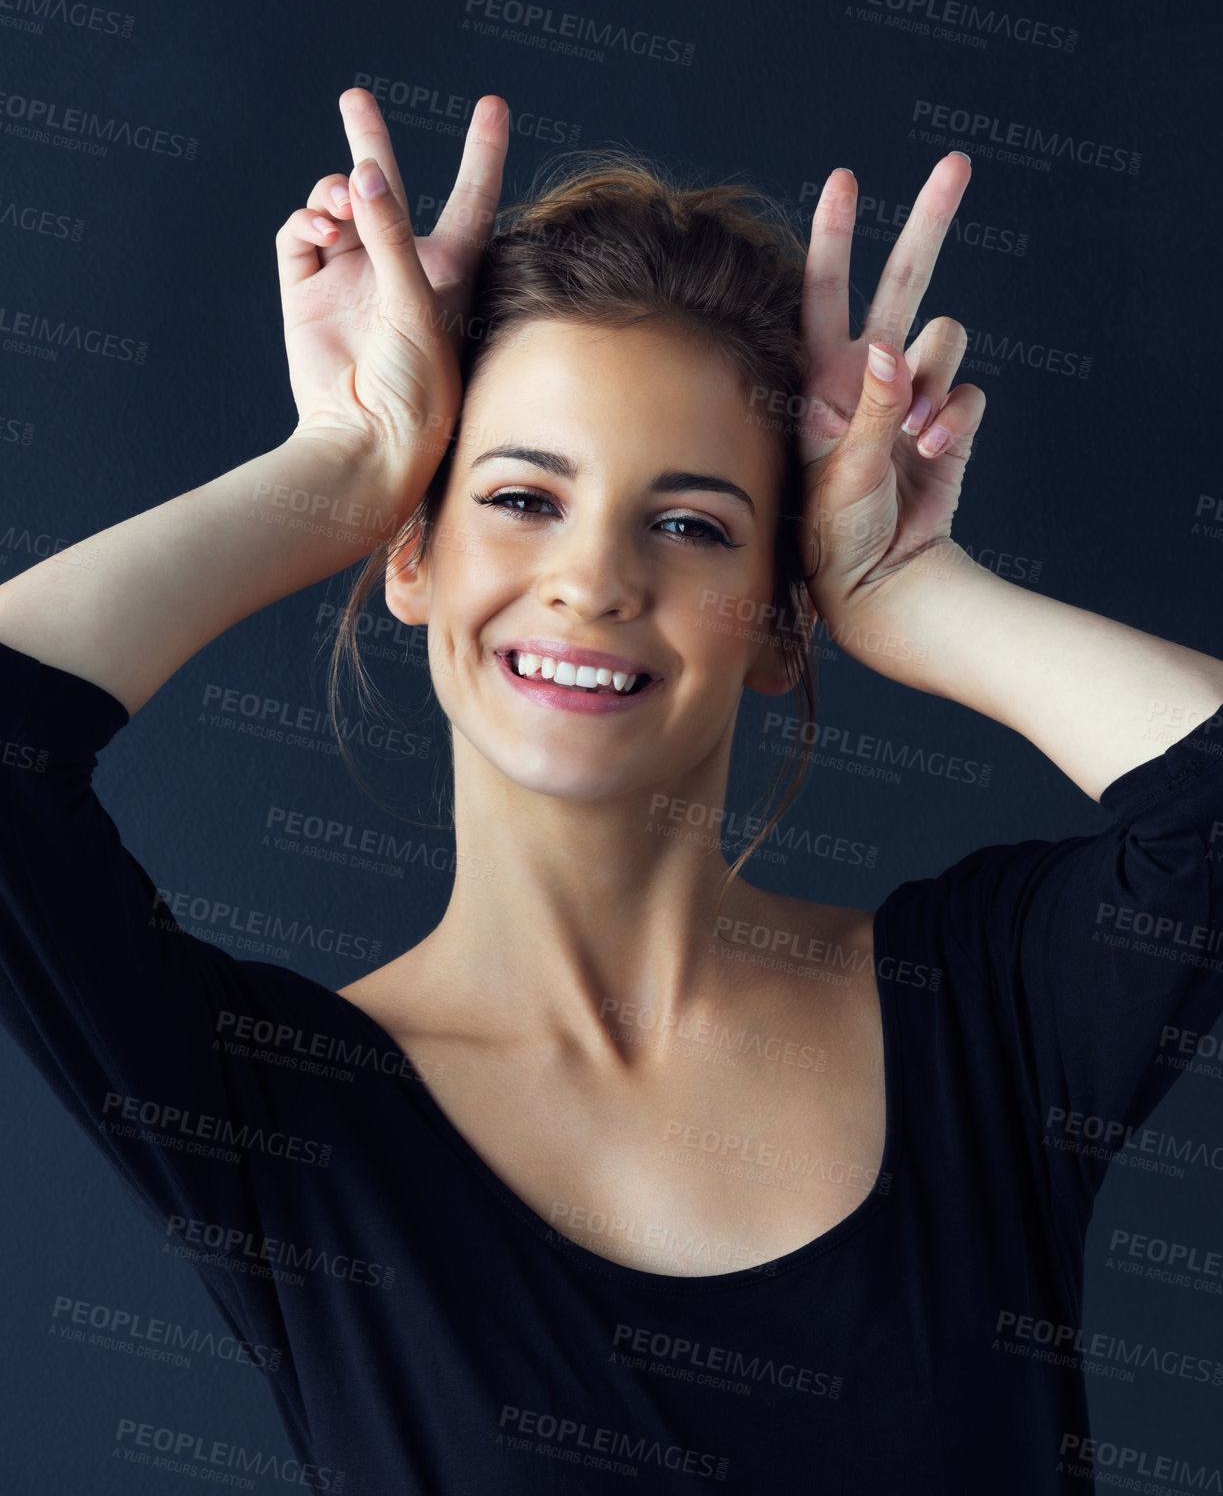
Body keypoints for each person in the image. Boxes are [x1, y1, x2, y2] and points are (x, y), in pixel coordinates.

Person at [0, 85, 1220, 1494]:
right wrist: (338, 465)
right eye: (521, 497)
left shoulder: (982, 1015)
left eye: (692, 523)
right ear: (412, 553)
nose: (594, 581)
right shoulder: (283, 1113)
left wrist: (906, 586)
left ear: (779, 615)